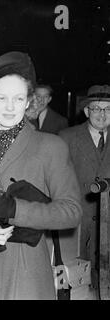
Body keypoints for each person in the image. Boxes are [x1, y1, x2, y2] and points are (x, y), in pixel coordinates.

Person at [0, 51, 82, 300]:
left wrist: (16, 210)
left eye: (18, 98)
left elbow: (71, 211)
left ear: (29, 101)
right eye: (1, 98)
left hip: (26, 270)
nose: (10, 107)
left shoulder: (51, 146)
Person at [59, 84, 110, 294]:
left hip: (108, 227)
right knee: (79, 287)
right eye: (96, 108)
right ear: (87, 111)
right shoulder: (66, 137)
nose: (102, 114)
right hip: (77, 227)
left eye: (108, 109)